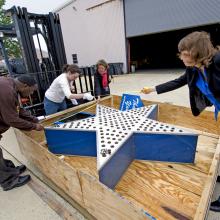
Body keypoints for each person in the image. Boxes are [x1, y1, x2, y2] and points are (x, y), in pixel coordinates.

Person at [141, 31, 220, 211]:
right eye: (181, 53)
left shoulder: (218, 61)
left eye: (185, 53)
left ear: (198, 53)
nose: (181, 57)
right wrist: (152, 89)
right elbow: (179, 81)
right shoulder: (192, 68)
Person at [0, 75, 44, 191]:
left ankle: (10, 170)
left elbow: (18, 110)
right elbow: (12, 119)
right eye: (32, 90)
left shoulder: (10, 85)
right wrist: (34, 126)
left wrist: (34, 119)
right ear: (25, 86)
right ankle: (9, 181)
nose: (31, 94)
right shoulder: (7, 91)